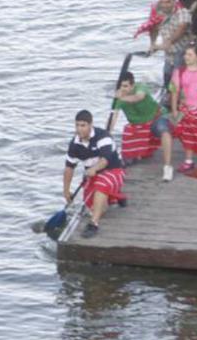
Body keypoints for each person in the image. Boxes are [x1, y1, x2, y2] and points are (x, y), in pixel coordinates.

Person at [63, 109, 126, 238]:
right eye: (77, 125)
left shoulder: (103, 137)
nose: (79, 129)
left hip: (113, 171)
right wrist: (66, 190)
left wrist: (94, 169)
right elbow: (69, 168)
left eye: (83, 125)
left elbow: (105, 160)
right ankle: (116, 197)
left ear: (91, 125)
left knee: (101, 185)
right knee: (97, 208)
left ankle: (94, 224)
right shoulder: (74, 144)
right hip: (92, 176)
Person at [114, 71, 174, 181]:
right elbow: (114, 116)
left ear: (133, 85)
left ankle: (167, 167)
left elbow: (139, 97)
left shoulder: (140, 87)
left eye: (126, 86)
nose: (124, 89)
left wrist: (122, 98)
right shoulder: (120, 97)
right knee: (127, 132)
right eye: (121, 86)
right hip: (139, 124)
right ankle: (132, 157)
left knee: (164, 131)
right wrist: (108, 133)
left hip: (156, 117)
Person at [170, 44, 197, 171]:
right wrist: (174, 110)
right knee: (187, 135)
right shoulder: (179, 72)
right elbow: (174, 92)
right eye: (185, 54)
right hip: (185, 109)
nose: (186, 57)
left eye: (190, 55)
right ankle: (188, 160)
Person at [146, 0, 193, 91]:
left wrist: (166, 43)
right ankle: (167, 95)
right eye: (162, 2)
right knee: (167, 75)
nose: (165, 5)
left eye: (168, 2)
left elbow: (180, 29)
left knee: (177, 76)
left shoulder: (183, 12)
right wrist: (152, 44)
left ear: (174, 1)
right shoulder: (158, 12)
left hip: (183, 51)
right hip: (169, 53)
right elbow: (153, 28)